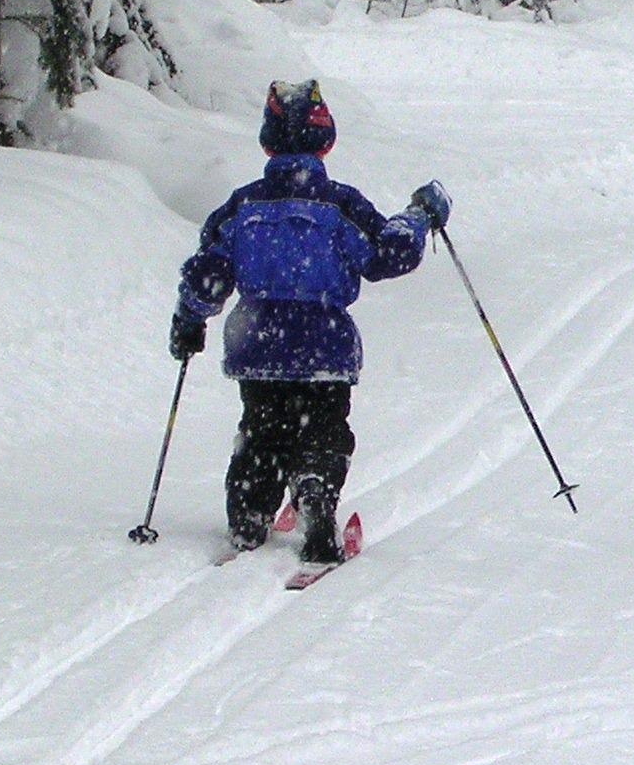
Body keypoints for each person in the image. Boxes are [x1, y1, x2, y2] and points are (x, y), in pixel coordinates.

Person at [169, 79, 452, 568]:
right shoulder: (339, 205)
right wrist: (421, 216)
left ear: (268, 141)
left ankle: (250, 510)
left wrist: (188, 320)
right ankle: (315, 490)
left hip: (258, 344)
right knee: (322, 427)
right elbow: (390, 251)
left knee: (261, 430)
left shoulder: (242, 207)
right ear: (326, 140)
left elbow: (208, 275)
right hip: (324, 346)